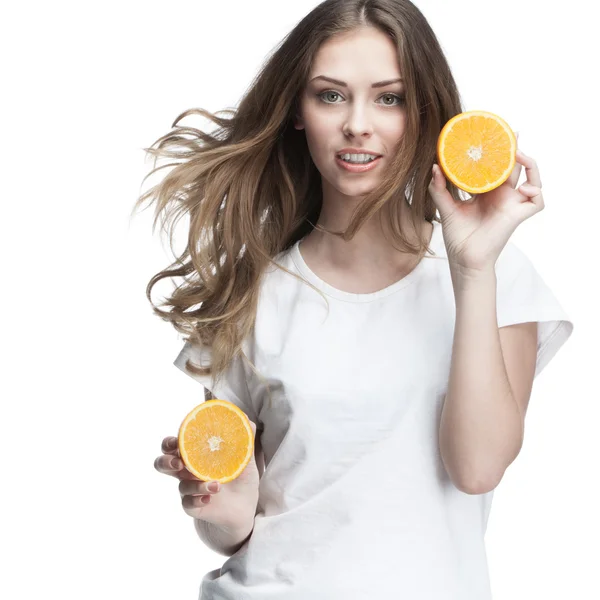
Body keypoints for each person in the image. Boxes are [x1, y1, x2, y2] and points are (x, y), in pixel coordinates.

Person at [143, 0, 574, 597]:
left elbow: (476, 470)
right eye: (331, 95)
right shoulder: (256, 293)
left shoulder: (496, 273)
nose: (358, 124)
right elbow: (240, 529)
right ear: (298, 111)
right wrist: (217, 503)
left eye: (389, 98)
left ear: (421, 112)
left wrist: (472, 270)